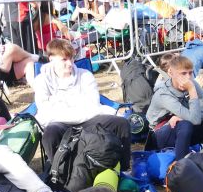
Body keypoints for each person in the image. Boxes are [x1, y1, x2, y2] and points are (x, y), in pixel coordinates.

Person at [31, 39, 131, 173]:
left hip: (87, 119)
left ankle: (123, 169)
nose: (70, 63)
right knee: (50, 134)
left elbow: (92, 104)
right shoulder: (42, 80)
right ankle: (59, 172)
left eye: (71, 58)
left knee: (121, 123)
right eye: (64, 60)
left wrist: (59, 103)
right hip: (60, 123)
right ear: (51, 59)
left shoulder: (85, 75)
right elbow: (45, 109)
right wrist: (76, 105)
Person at [146, 55, 203, 160]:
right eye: (183, 73)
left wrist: (184, 117)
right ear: (170, 73)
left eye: (190, 73)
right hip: (160, 134)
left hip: (183, 127)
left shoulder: (191, 83)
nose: (188, 77)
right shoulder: (163, 94)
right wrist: (192, 91)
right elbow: (194, 120)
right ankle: (181, 166)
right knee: (185, 124)